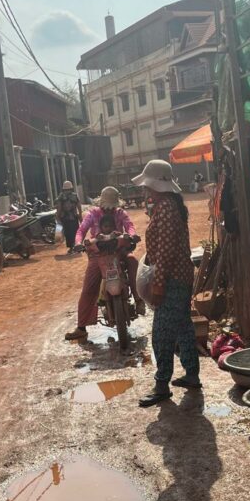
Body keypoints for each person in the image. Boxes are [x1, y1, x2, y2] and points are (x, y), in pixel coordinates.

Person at [132, 159, 199, 407]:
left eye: (147, 186)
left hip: (172, 279)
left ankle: (161, 385)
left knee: (161, 333)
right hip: (179, 277)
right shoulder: (168, 206)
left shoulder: (167, 208)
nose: (145, 190)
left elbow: (166, 252)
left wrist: (158, 285)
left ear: (156, 185)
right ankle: (192, 375)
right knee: (183, 328)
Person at [64, 186, 143, 340]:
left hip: (119, 251)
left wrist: (132, 235)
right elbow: (81, 230)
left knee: (133, 261)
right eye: (106, 208)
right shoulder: (92, 214)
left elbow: (130, 226)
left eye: (111, 208)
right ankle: (81, 327)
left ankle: (138, 299)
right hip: (97, 254)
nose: (108, 211)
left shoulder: (120, 213)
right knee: (89, 287)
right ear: (101, 204)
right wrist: (78, 242)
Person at [55, 180, 82, 253]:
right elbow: (79, 206)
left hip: (65, 218)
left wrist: (57, 216)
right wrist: (80, 216)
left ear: (63, 189)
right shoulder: (75, 195)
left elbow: (59, 208)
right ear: (71, 188)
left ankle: (71, 247)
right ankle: (76, 246)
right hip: (74, 217)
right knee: (75, 231)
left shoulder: (61, 196)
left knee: (68, 233)